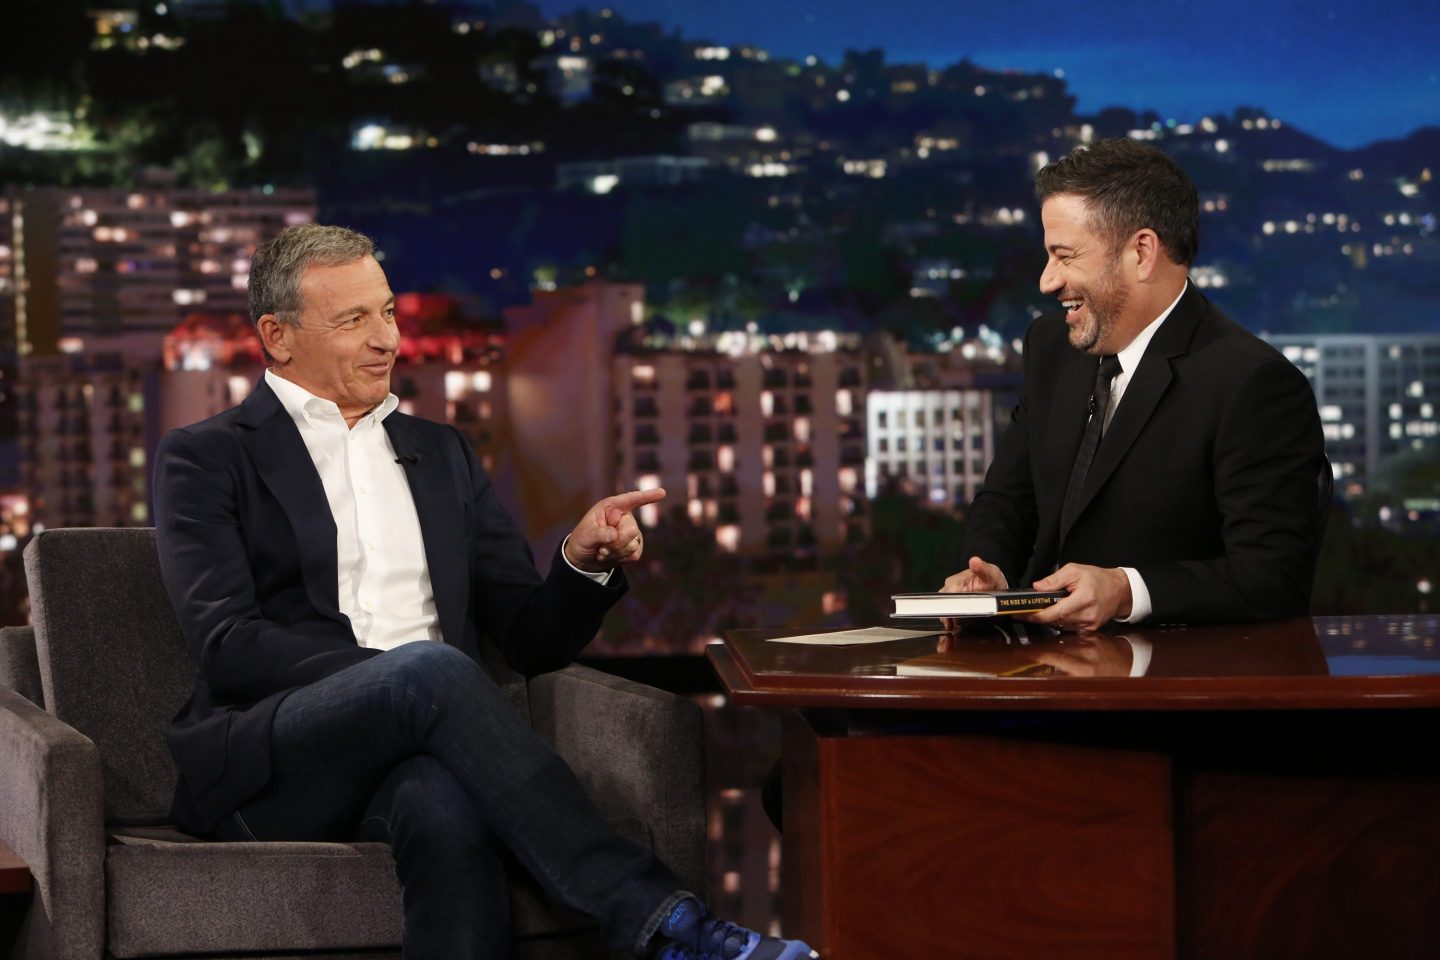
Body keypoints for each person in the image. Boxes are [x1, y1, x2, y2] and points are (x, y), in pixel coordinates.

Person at [153, 223, 817, 960]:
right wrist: (397, 681)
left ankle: (670, 931)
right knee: (426, 670)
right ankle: (671, 925)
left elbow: (530, 641)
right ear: (277, 336)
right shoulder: (207, 458)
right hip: (274, 759)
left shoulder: (442, 453)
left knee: (442, 806)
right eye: (353, 320)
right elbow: (228, 645)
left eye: (388, 312)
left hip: (425, 743)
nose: (386, 339)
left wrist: (579, 561)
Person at [942, 137, 1325, 631]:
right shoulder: (1050, 347)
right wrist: (988, 568)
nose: (1047, 281)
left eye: (1065, 256)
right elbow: (1009, 499)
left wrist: (1126, 592)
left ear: (1141, 252)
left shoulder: (1253, 383)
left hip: (1172, 671)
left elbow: (1273, 579)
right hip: (1043, 665)